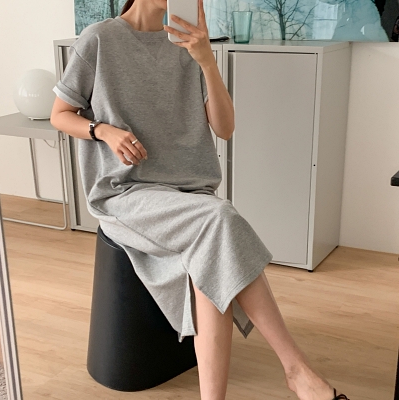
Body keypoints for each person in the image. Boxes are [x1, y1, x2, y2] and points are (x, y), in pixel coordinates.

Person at [50, 0, 350, 399]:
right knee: (218, 221)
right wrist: (103, 130)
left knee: (211, 246)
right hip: (126, 192)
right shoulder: (99, 39)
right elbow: (60, 113)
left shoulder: (188, 43)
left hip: (190, 194)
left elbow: (225, 128)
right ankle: (296, 369)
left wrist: (207, 59)